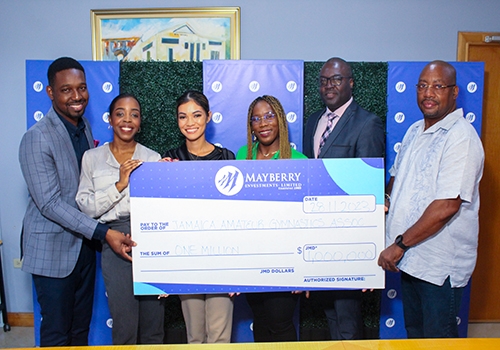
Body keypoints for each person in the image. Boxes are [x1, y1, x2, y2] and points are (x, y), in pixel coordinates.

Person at [18, 57, 135, 346]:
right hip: (52, 250)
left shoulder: (83, 127)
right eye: (66, 90)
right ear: (50, 92)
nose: (76, 96)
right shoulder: (36, 138)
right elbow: (50, 204)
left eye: (81, 88)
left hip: (83, 247)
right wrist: (104, 232)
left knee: (80, 331)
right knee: (58, 333)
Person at [378, 60, 484, 338]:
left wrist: (399, 244)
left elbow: (447, 205)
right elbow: (396, 175)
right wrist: (387, 197)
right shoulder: (415, 130)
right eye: (423, 86)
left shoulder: (461, 137)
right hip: (413, 260)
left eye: (438, 86)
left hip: (439, 266)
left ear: (454, 92)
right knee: (416, 335)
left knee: (438, 339)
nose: (428, 93)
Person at [303, 57, 385, 340]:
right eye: (324, 80)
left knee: (347, 315)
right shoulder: (313, 120)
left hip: (349, 239)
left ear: (350, 82)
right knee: (330, 313)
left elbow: (371, 189)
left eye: (336, 79)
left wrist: (367, 251)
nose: (329, 85)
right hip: (318, 235)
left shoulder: (367, 123)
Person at [76, 93, 164, 344]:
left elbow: (160, 207)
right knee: (124, 323)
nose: (127, 120)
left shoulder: (152, 158)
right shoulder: (92, 158)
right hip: (113, 241)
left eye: (134, 114)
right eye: (120, 113)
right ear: (110, 119)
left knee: (153, 322)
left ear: (140, 121)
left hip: (148, 239)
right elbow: (86, 208)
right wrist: (119, 184)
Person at [163, 90, 235, 344]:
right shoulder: (169, 159)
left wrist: (239, 269)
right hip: (187, 257)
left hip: (221, 258)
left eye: (196, 115)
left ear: (209, 117)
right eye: (183, 117)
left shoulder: (228, 158)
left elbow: (237, 215)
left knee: (219, 336)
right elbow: (163, 214)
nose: (190, 122)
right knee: (194, 336)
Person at [237, 95, 307, 342]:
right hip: (252, 257)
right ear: (250, 125)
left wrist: (306, 270)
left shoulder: (300, 162)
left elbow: (309, 221)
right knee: (262, 323)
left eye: (269, 116)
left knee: (280, 324)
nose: (263, 123)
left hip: (286, 258)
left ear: (280, 120)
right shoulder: (243, 156)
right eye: (256, 119)